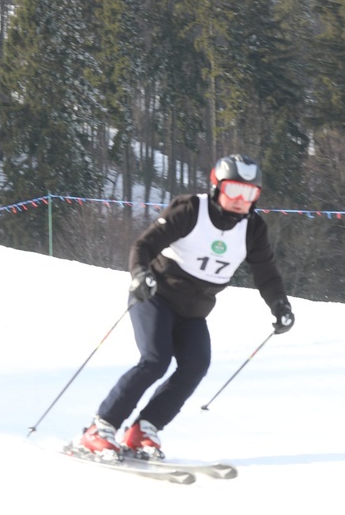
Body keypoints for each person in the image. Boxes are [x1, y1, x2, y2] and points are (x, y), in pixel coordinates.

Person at [75, 154, 295, 460]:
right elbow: (143, 246)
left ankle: (143, 429)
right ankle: (100, 428)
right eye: (234, 190)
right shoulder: (191, 209)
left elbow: (266, 273)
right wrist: (140, 275)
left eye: (250, 193)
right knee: (155, 360)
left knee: (196, 364)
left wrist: (280, 305)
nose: (241, 200)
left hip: (194, 312)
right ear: (217, 187)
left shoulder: (253, 228)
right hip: (157, 296)